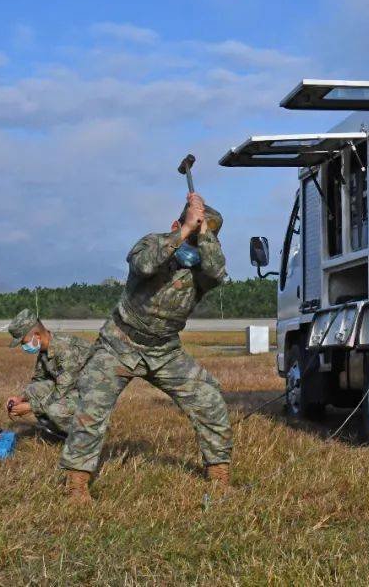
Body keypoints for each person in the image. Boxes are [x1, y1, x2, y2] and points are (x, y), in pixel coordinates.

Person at [59, 192, 232, 503]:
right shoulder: (152, 243)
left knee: (209, 399)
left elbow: (218, 272)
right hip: (119, 343)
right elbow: (144, 266)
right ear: (174, 224)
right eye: (192, 231)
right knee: (91, 410)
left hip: (165, 350)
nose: (194, 242)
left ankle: (219, 477)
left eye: (203, 236)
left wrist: (203, 234)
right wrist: (184, 232)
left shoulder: (205, 265)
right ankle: (76, 485)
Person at [5, 308, 94, 438]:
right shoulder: (44, 350)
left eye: (24, 342)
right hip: (74, 388)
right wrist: (21, 398)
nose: (23, 347)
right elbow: (38, 380)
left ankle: (88, 437)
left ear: (36, 336)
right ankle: (58, 430)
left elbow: (61, 392)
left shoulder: (65, 350)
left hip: (93, 394)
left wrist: (31, 407)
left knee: (55, 409)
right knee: (32, 390)